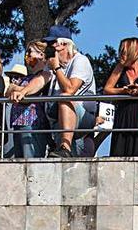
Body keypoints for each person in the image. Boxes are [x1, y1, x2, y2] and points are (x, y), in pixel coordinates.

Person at [7, 25, 96, 158]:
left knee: (64, 97)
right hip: (59, 125)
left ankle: (65, 148)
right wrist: (24, 91)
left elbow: (70, 89)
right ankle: (63, 147)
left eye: (51, 43)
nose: (48, 47)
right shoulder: (52, 65)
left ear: (63, 44)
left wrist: (57, 68)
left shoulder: (80, 61)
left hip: (81, 121)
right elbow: (40, 80)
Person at [4, 41, 51, 159]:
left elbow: (33, 89)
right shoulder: (27, 78)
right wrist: (18, 89)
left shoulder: (46, 74)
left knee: (30, 161)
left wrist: (20, 90)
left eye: (30, 52)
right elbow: (8, 91)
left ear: (41, 55)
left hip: (33, 124)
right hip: (17, 124)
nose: (27, 56)